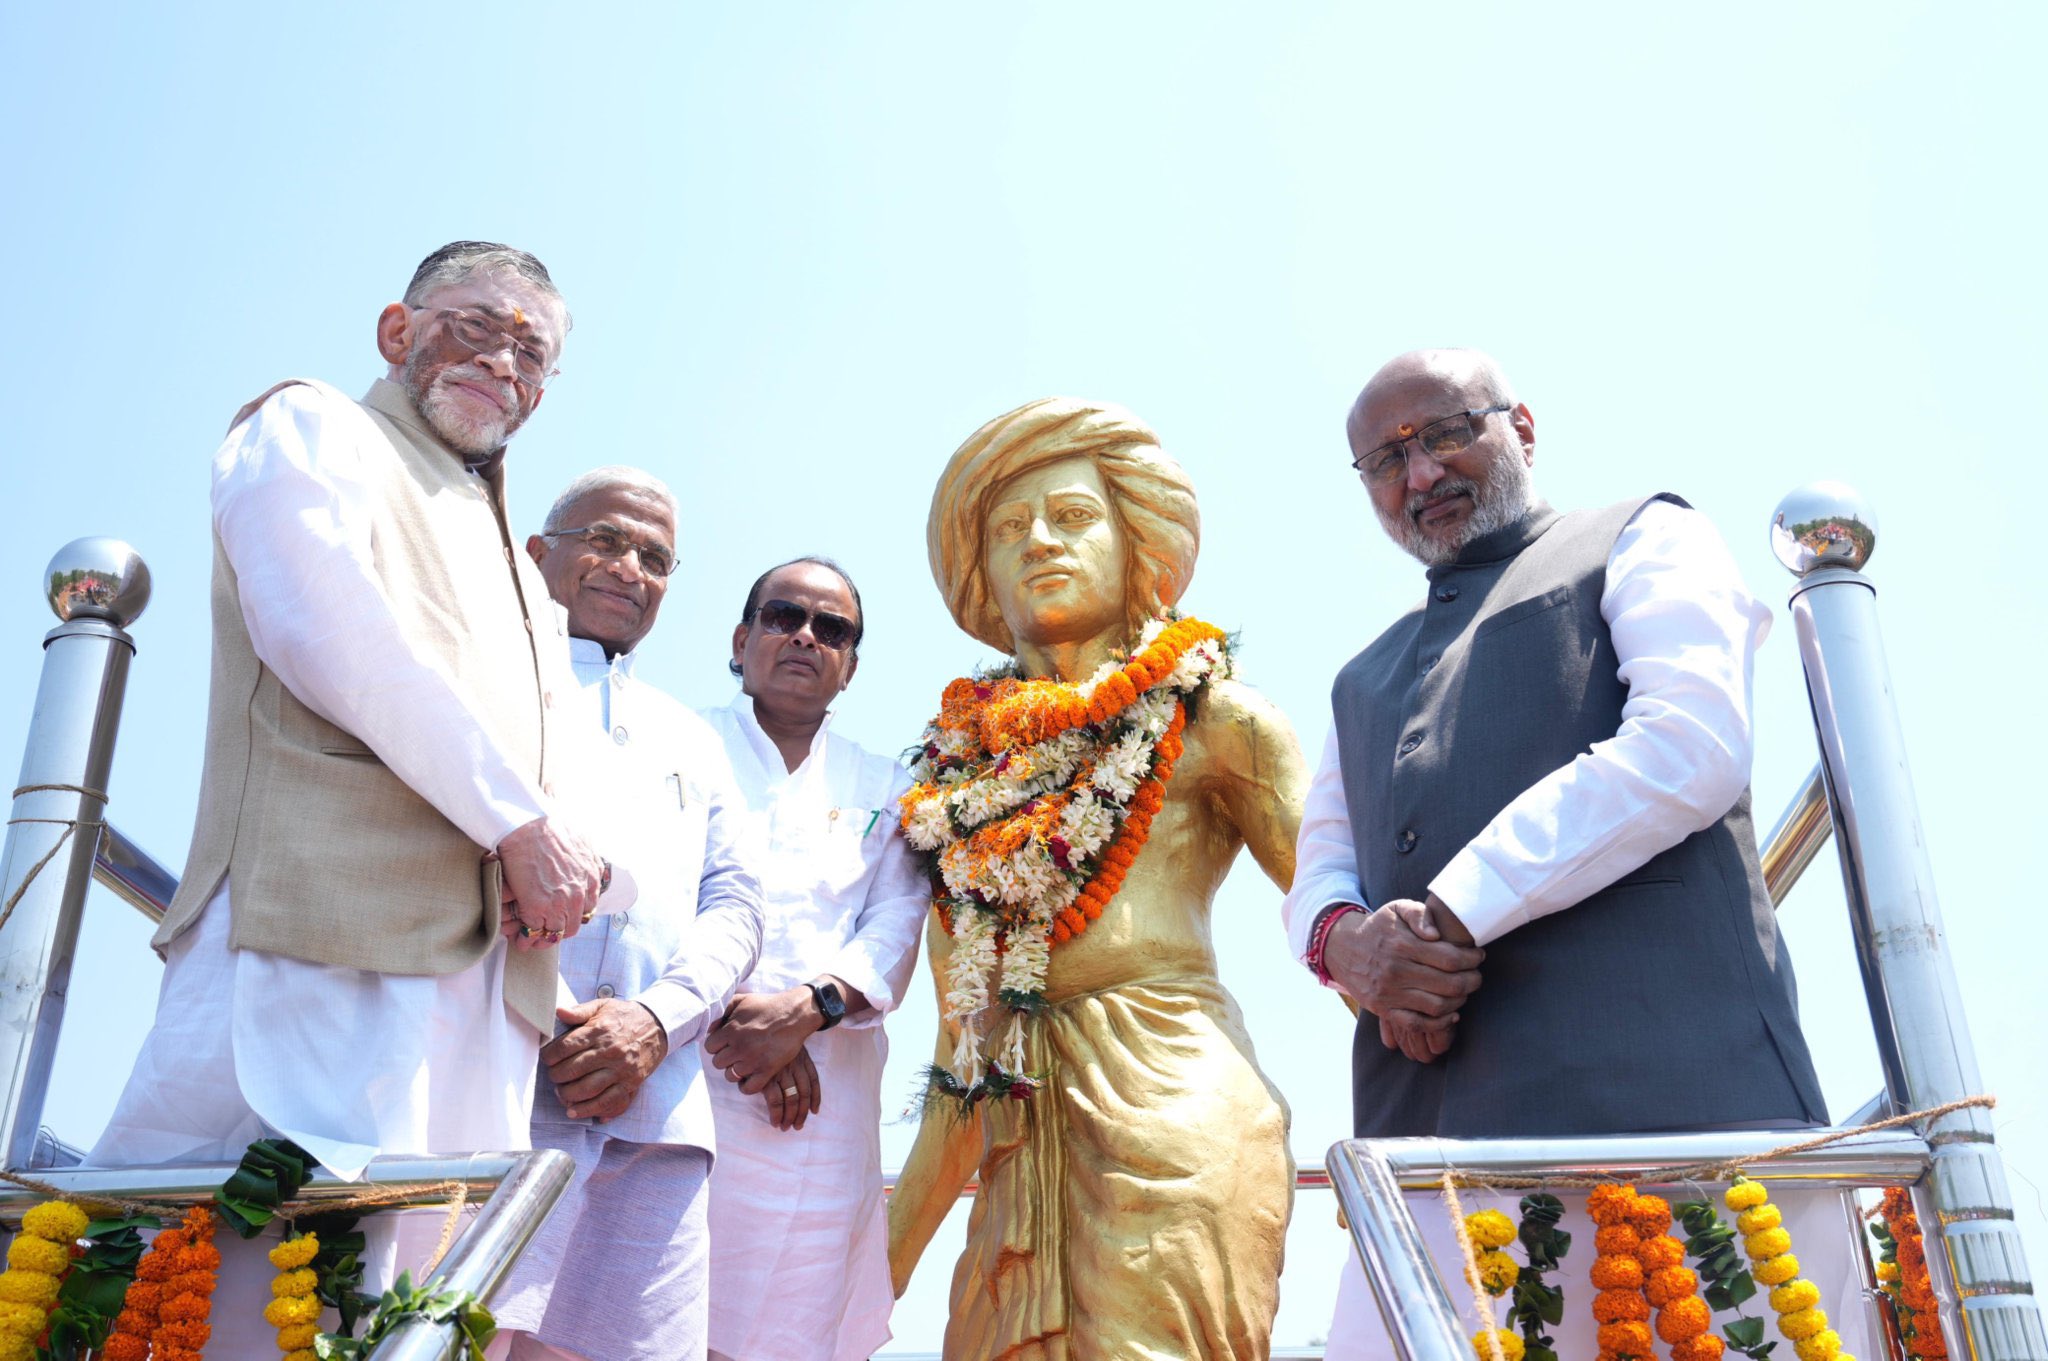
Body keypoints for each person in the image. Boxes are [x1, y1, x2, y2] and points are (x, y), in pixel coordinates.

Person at [88, 242, 611, 1352]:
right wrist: (518, 824)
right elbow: (325, 624)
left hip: (480, 985)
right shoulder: (311, 423)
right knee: (218, 1258)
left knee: (405, 1289)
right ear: (396, 329)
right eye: (475, 324)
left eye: (532, 350)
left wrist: (563, 854)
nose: (501, 360)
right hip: (314, 924)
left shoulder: (523, 568)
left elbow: (557, 749)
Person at [1283, 348, 1843, 1359]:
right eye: (1383, 459)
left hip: (1676, 1129)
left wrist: (1451, 909)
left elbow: (1690, 743)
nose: (1418, 475)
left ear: (1521, 426)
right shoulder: (1357, 678)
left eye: (1446, 431)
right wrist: (1350, 947)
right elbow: (1318, 864)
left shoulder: (1643, 533)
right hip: (1428, 1168)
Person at [886, 398, 1307, 1359]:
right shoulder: (956, 782)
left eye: (1071, 516)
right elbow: (963, 1062)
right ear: (981, 573)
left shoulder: (1221, 720)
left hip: (1177, 1120)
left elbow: (1353, 932)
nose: (1037, 542)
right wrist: (877, 1268)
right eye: (1006, 528)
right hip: (1014, 1155)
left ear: (1135, 539)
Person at [490, 467, 765, 1361]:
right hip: (496, 1080)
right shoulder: (477, 678)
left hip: (656, 1108)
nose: (628, 568)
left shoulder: (693, 736)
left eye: (654, 555)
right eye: (604, 539)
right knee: (444, 1332)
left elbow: (737, 907)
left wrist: (655, 1019)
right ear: (539, 555)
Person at [697, 557, 928, 1361]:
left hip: (821, 1110)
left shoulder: (891, 785)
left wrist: (806, 1010)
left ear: (851, 665)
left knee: (798, 1322)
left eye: (831, 628)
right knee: (651, 1310)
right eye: (783, 615)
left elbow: (897, 923)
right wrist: (748, 1026)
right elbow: (651, 907)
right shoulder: (677, 747)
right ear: (742, 637)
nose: (805, 635)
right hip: (686, 1078)